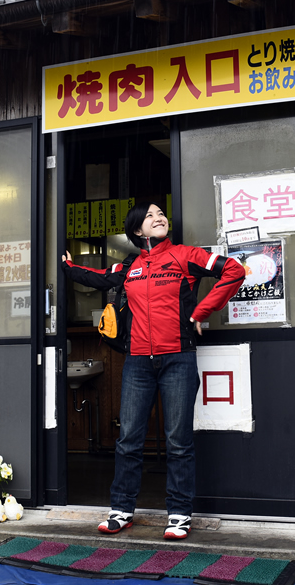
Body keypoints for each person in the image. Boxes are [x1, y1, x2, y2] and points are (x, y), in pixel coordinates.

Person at [62, 201, 244, 540]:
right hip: (137, 362)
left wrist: (202, 310)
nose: (158, 218)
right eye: (150, 216)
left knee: (178, 442)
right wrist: (69, 268)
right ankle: (121, 509)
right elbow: (99, 278)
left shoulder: (186, 255)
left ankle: (179, 514)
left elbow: (233, 270)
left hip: (178, 358)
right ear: (136, 231)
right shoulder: (129, 266)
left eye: (161, 214)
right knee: (128, 439)